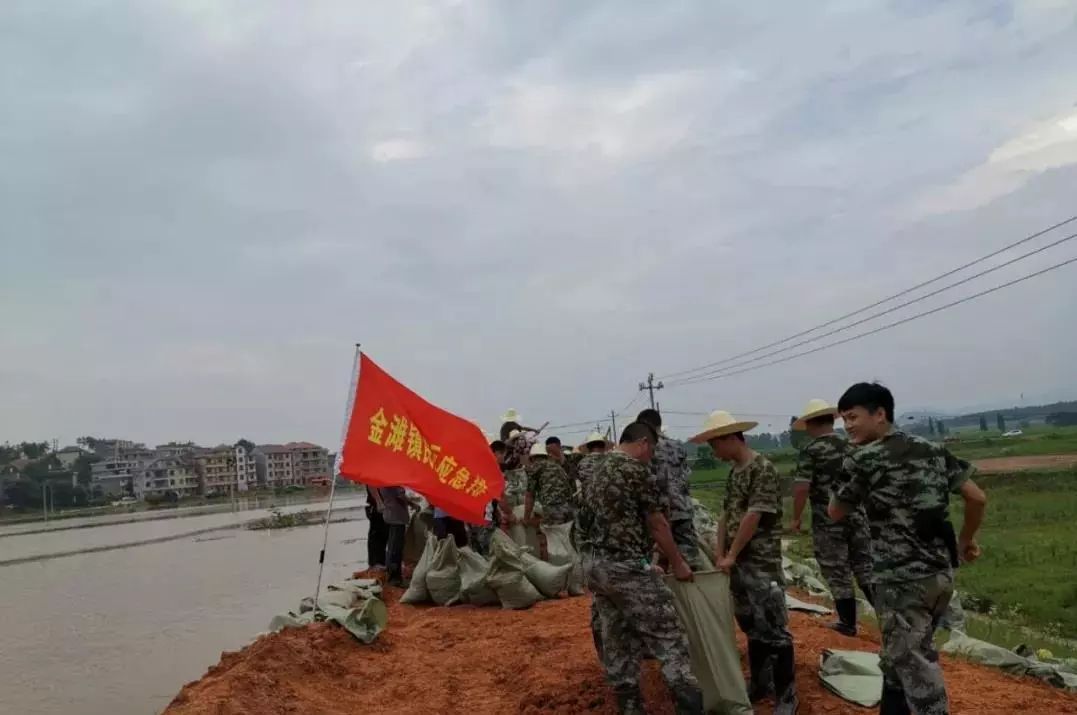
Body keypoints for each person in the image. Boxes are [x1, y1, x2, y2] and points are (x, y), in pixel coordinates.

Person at [829, 383, 987, 715]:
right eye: (843, 420)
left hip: (900, 581)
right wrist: (965, 541)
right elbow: (976, 497)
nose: (848, 426)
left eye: (853, 417)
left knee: (917, 669)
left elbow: (835, 511)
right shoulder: (932, 449)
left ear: (880, 414)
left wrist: (846, 464)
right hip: (939, 577)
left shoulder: (863, 459)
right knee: (897, 659)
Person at [577, 422, 703, 715]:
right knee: (670, 640)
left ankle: (631, 708)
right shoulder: (636, 471)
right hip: (626, 568)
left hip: (598, 567)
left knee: (618, 641)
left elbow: (598, 524)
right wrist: (678, 563)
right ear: (644, 442)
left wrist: (642, 563)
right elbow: (657, 524)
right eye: (652, 450)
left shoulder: (594, 471)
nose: (651, 456)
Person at [691, 410, 797, 713]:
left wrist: (733, 554)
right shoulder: (735, 471)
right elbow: (726, 515)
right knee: (751, 624)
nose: (714, 452)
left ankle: (787, 694)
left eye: (715, 445)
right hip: (738, 565)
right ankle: (760, 684)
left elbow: (753, 516)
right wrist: (721, 554)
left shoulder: (762, 468)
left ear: (729, 438)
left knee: (774, 627)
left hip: (761, 563)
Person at [790, 398, 876, 636]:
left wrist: (796, 518)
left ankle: (848, 623)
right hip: (858, 515)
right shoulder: (852, 445)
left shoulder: (811, 450)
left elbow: (801, 486)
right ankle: (889, 619)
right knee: (865, 566)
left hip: (828, 518)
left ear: (810, 424)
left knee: (836, 569)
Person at [636, 409, 702, 570]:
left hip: (657, 515)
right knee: (690, 563)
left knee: (657, 565)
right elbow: (685, 477)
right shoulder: (678, 447)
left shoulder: (644, 449)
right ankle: (693, 593)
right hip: (683, 512)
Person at [524, 441, 576, 527]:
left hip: (553, 512)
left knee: (552, 536)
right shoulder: (557, 466)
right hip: (570, 510)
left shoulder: (534, 468)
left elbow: (530, 496)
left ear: (532, 458)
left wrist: (526, 519)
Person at [380, 485, 420, 587]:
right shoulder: (392, 480)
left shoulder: (383, 480)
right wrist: (413, 504)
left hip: (390, 514)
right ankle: (394, 578)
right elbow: (400, 496)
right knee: (396, 548)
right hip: (397, 516)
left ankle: (391, 574)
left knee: (392, 546)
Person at [364, 485, 388, 570]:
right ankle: (375, 562)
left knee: (384, 534)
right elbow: (371, 485)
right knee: (377, 535)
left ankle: (380, 561)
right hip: (377, 507)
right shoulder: (371, 475)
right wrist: (379, 502)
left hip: (383, 506)